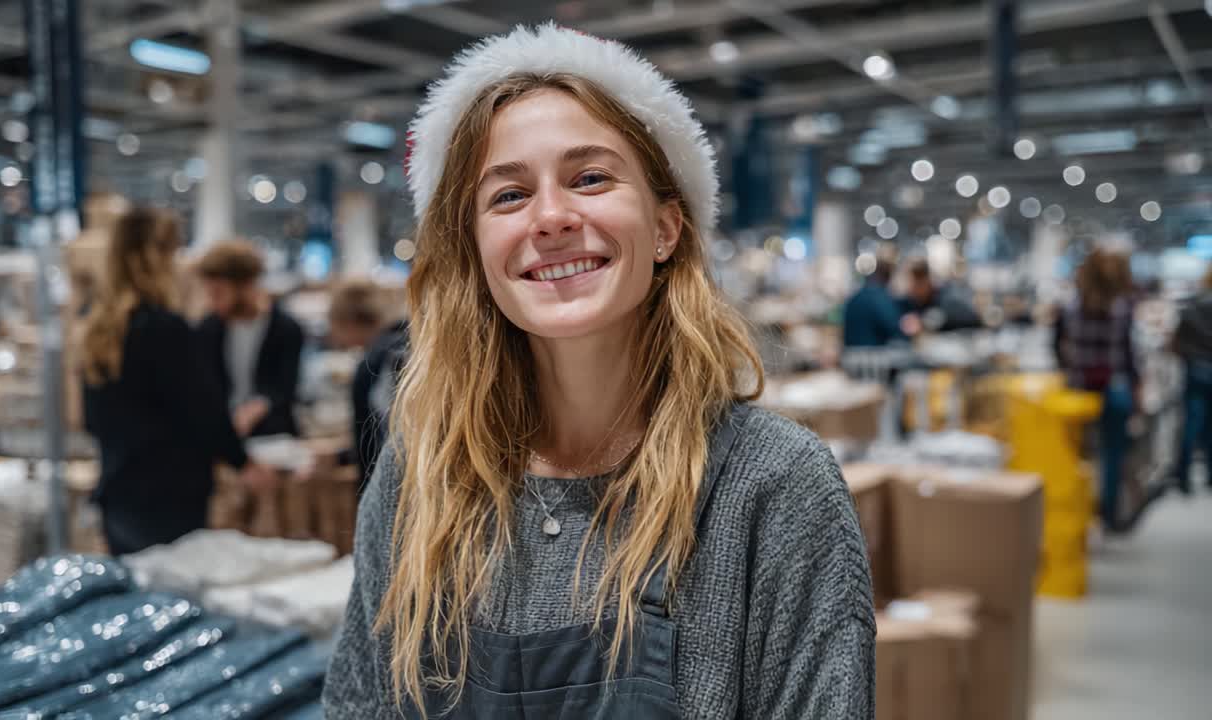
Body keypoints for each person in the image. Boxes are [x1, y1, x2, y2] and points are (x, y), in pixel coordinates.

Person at [324, 24, 873, 719]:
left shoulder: (770, 487)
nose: (551, 216)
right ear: (475, 250)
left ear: (668, 227)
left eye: (590, 178)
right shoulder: (421, 477)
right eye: (508, 195)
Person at [80, 208, 277, 555]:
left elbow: (91, 421)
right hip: (167, 500)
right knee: (171, 602)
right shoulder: (164, 329)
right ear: (158, 258)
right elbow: (203, 409)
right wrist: (242, 462)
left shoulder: (98, 330)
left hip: (117, 495)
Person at [1054, 248, 1140, 532]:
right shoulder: (1123, 307)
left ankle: (1078, 512)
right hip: (1114, 388)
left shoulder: (1070, 306)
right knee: (1113, 454)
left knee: (1078, 454)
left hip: (1079, 391)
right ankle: (1108, 515)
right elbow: (1129, 355)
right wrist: (1137, 389)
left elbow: (1057, 347)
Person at [194, 240, 305, 438]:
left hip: (275, 437)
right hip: (223, 436)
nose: (212, 302)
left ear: (246, 285)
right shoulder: (208, 328)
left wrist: (254, 409)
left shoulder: (287, 328)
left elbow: (286, 388)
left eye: (218, 293)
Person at [327, 279, 410, 485]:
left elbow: (370, 444)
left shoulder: (372, 364)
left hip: (392, 483)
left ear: (348, 323)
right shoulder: (413, 338)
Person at [1172, 266, 1212, 494]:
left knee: (1191, 422)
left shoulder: (1193, 305)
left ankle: (1184, 475)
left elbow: (1179, 339)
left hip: (1195, 368)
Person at [843, 249, 908, 348]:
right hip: (873, 357)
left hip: (850, 355)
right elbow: (894, 327)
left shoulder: (855, 297)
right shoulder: (880, 298)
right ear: (889, 276)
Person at [899, 258, 982, 333]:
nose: (909, 290)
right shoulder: (910, 301)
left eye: (914, 285)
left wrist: (924, 323)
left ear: (925, 281)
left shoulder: (947, 298)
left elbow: (973, 319)